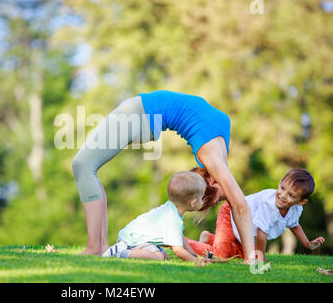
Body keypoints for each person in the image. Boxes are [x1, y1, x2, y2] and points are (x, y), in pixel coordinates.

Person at [72, 90, 255, 263]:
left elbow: (236, 205)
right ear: (212, 181)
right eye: (217, 199)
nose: (221, 200)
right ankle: (97, 246)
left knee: (84, 166)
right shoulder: (212, 158)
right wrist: (250, 258)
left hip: (143, 114)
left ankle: (98, 246)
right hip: (140, 113)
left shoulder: (219, 149)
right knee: (83, 166)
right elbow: (241, 206)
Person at [187, 169, 325, 261]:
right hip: (231, 214)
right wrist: (261, 259)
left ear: (301, 202)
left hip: (243, 228)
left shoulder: (296, 210)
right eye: (282, 188)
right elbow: (261, 233)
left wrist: (307, 244)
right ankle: (182, 242)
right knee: (220, 254)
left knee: (240, 255)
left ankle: (209, 238)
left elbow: (294, 225)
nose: (282, 195)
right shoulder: (269, 205)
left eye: (291, 195)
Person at [102, 171, 208, 262]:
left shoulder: (171, 209)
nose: (202, 200)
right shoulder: (172, 219)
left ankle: (125, 251)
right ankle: (120, 252)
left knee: (164, 256)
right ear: (193, 202)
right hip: (132, 241)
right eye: (202, 197)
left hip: (136, 238)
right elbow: (178, 250)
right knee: (159, 257)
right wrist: (196, 261)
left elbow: (180, 237)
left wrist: (193, 255)